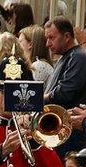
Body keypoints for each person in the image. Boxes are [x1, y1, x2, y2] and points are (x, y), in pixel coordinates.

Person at [44, 16, 86, 158]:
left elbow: (65, 92)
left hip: (72, 134)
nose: (47, 43)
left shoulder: (79, 57)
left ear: (67, 36)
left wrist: (40, 97)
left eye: (51, 38)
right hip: (62, 131)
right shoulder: (67, 57)